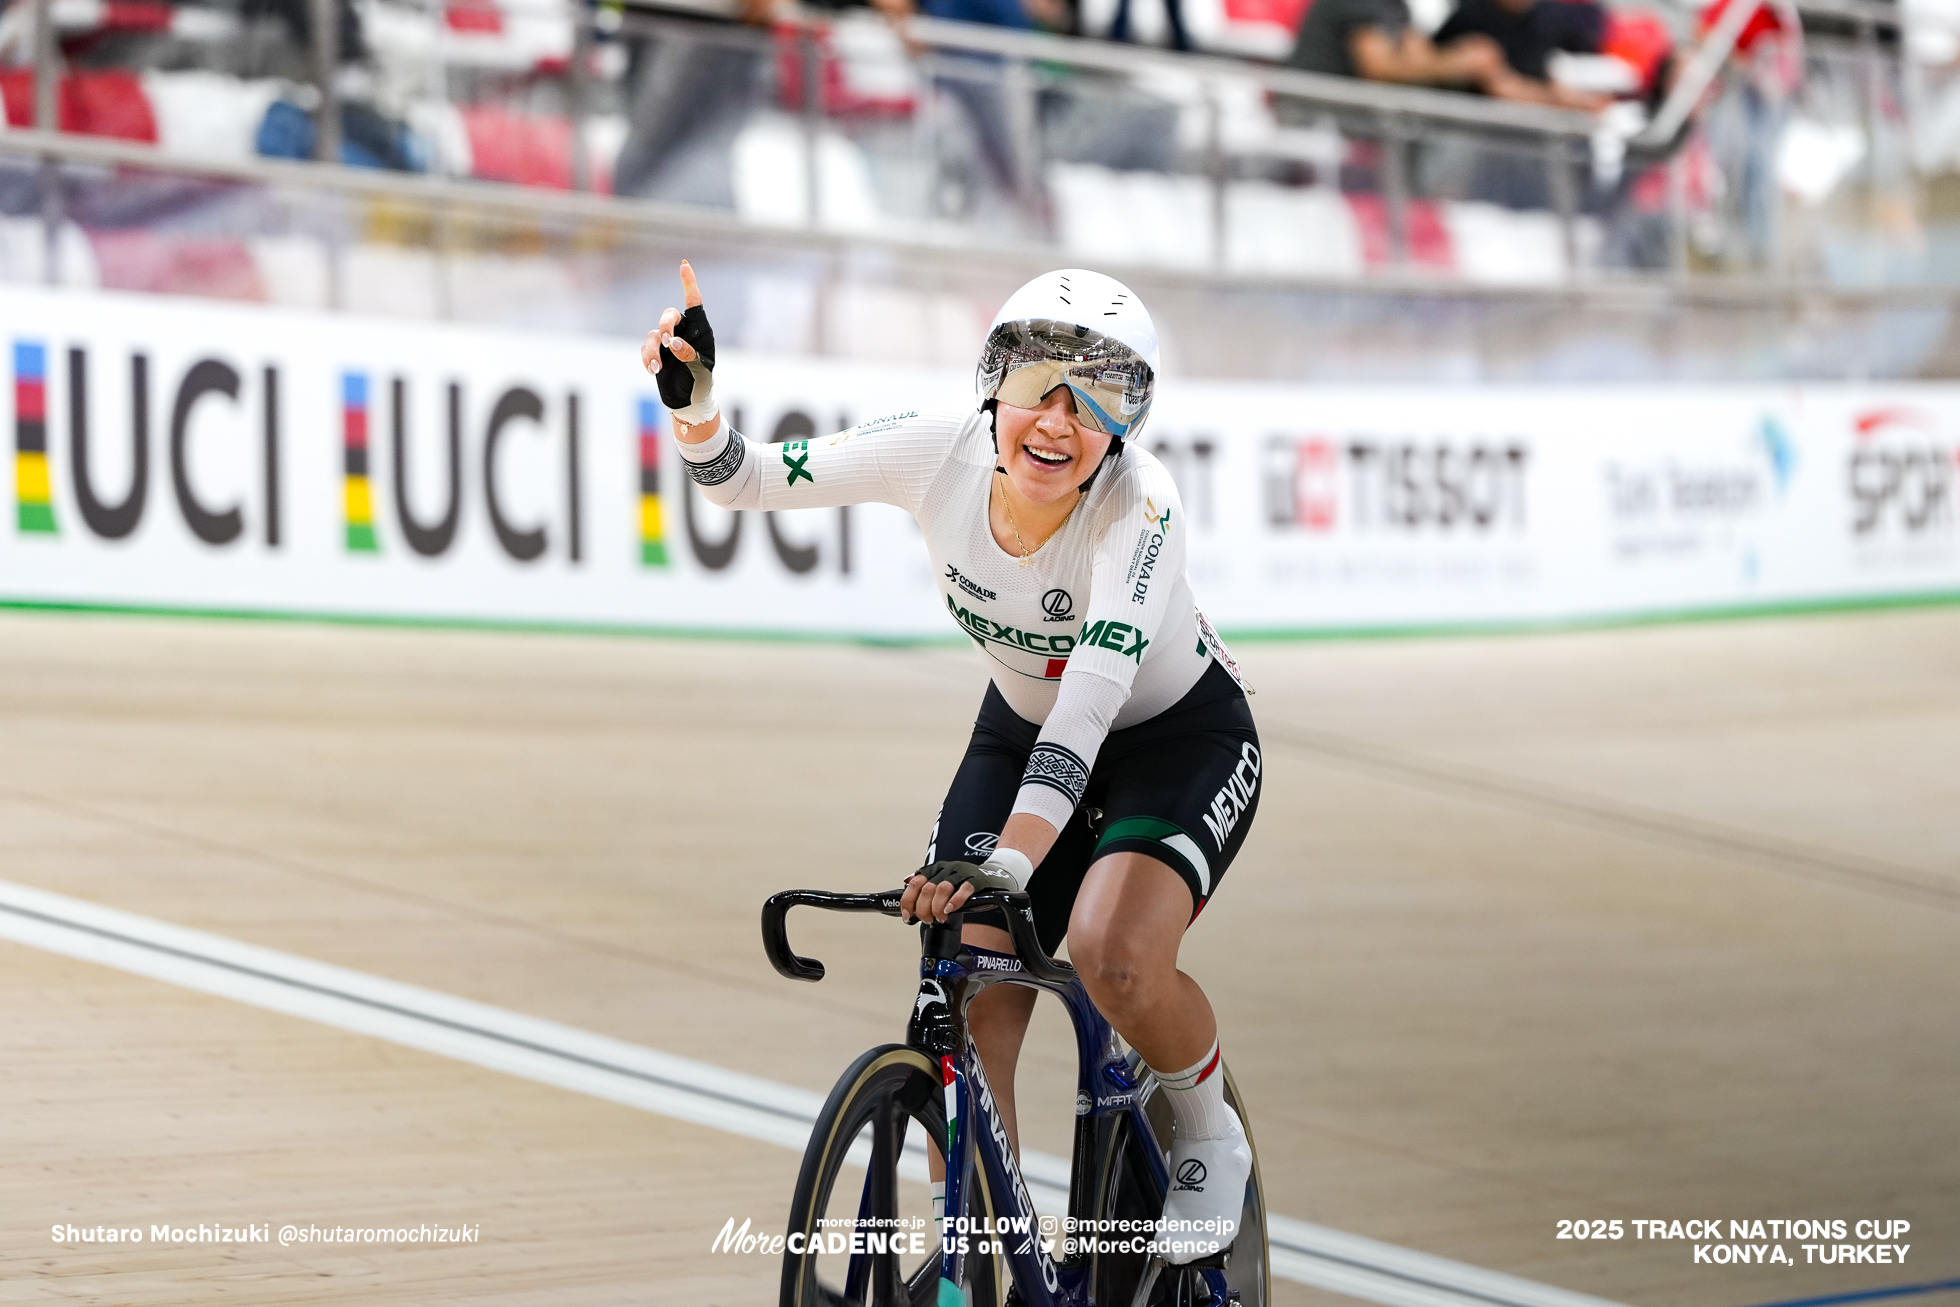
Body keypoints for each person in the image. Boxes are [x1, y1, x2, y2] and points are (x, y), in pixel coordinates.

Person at [643, 262, 1261, 1264]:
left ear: (1129, 417)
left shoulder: (1139, 508)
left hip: (1169, 741)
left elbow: (1092, 704)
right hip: (1019, 731)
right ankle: (977, 1249)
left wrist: (1014, 857)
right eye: (1035, 386)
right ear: (992, 385)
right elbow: (745, 478)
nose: (1059, 420)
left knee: (1111, 948)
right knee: (968, 983)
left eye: (1098, 393)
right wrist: (698, 407)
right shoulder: (934, 452)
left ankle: (1203, 1121)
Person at [1287, 0, 1606, 108]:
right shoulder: (1471, 14)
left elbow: (1418, 57)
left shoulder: (1396, 7)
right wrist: (1463, 61)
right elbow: (1379, 67)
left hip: (1357, 122)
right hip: (1314, 113)